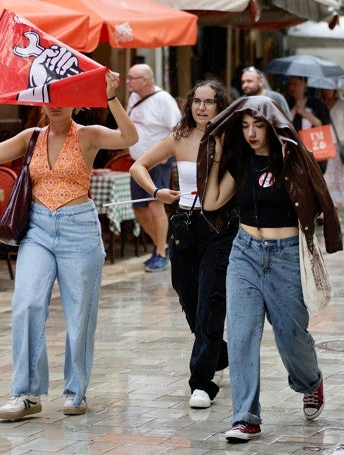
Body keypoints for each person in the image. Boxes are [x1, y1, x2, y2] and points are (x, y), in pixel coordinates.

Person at [0, 71, 138, 421]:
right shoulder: (32, 136)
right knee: (26, 303)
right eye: (48, 97)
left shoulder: (90, 135)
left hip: (79, 229)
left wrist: (112, 97)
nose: (54, 105)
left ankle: (76, 391)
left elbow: (130, 136)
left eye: (63, 97)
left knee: (79, 313)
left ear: (77, 102)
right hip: (37, 227)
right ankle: (25, 393)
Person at [199, 96, 343, 442]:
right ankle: (246, 417)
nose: (250, 133)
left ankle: (310, 382)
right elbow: (212, 202)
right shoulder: (242, 162)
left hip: (286, 255)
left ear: (273, 124)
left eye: (258, 125)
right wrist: (217, 159)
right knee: (241, 334)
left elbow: (321, 201)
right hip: (245, 253)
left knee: (291, 336)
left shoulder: (294, 160)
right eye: (245, 126)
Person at [130, 80, 236, 409]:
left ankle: (201, 382)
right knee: (187, 296)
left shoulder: (231, 139)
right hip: (184, 225)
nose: (202, 107)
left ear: (221, 106)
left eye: (210, 102)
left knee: (210, 301)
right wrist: (157, 192)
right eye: (197, 101)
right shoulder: (179, 137)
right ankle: (218, 351)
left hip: (220, 227)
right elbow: (138, 166)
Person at [126, 63, 181, 272]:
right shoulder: (133, 97)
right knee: (139, 208)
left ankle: (160, 252)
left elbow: (177, 129)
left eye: (132, 78)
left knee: (155, 206)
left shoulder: (163, 100)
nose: (128, 81)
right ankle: (164, 245)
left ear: (146, 80)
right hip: (138, 163)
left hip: (157, 162)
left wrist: (166, 155)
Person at [320, 88, 344, 221]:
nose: (327, 90)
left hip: (339, 144)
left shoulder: (343, 103)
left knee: (337, 179)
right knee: (323, 178)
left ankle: (335, 212)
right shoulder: (319, 103)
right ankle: (324, 211)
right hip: (322, 143)